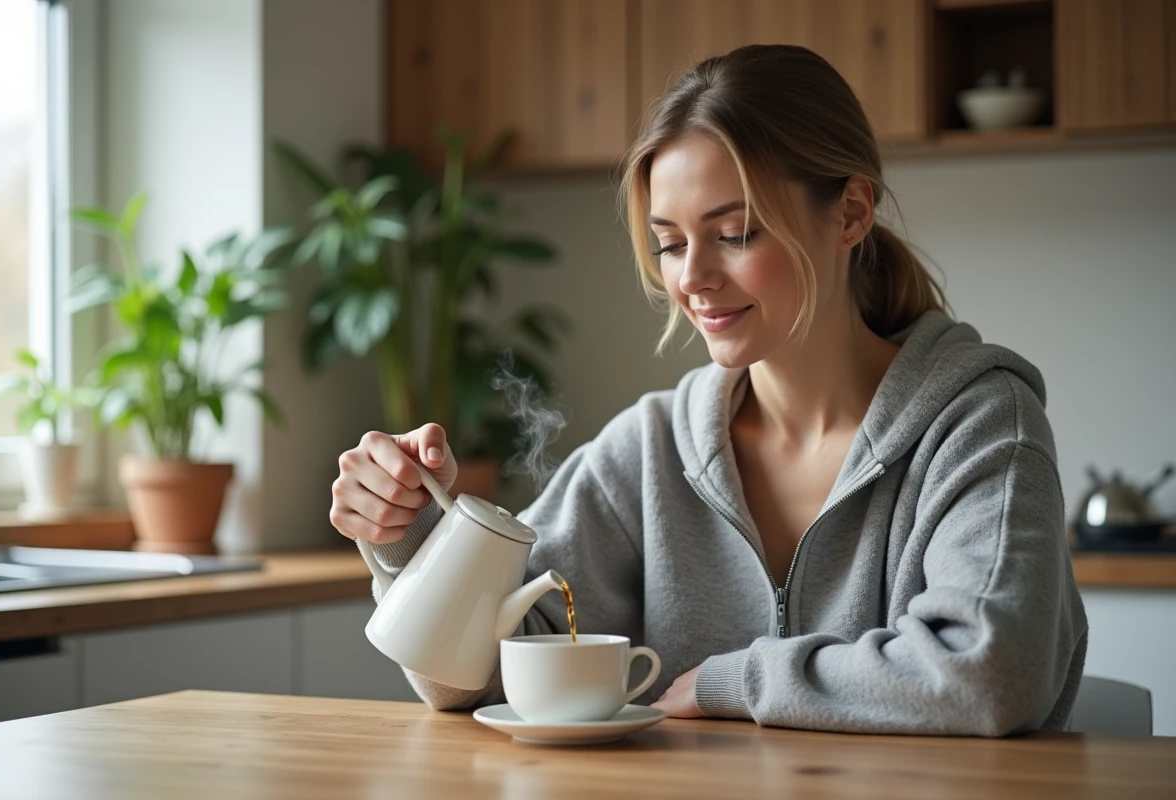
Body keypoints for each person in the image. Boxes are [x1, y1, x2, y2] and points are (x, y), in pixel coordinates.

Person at [329, 44, 1087, 735]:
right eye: (669, 243)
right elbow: (473, 675)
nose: (692, 279)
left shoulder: (980, 424)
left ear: (851, 212)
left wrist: (734, 680)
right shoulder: (651, 449)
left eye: (736, 233)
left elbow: (992, 673)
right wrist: (406, 536)